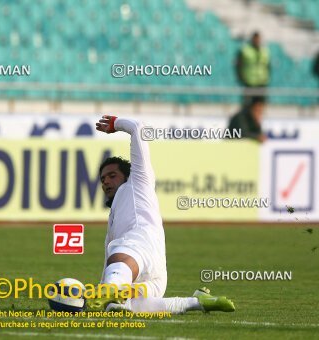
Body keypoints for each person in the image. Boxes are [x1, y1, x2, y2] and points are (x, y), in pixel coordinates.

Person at [87, 115, 235, 314]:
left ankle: (112, 294)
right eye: (103, 179)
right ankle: (197, 301)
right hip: (155, 274)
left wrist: (116, 124)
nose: (105, 181)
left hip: (138, 247)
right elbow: (110, 264)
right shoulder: (114, 219)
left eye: (112, 176)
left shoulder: (138, 181)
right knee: (127, 306)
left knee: (118, 270)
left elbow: (138, 127)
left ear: (128, 175)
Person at [236, 32, 270, 102]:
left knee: (259, 104)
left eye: (258, 39)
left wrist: (266, 78)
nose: (257, 41)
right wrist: (242, 78)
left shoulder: (265, 51)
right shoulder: (245, 51)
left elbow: (268, 66)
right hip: (249, 82)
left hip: (262, 82)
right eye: (255, 39)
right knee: (248, 104)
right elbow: (238, 65)